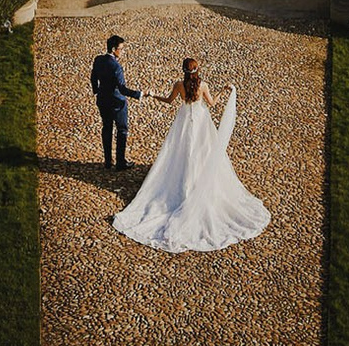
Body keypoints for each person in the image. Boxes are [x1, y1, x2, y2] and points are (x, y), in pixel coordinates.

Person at [111, 56, 270, 253]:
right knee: (203, 152)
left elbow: (169, 101)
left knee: (180, 153)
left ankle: (182, 185)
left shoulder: (179, 85)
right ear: (197, 70)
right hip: (201, 122)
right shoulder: (203, 85)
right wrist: (224, 90)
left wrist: (153, 95)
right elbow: (211, 103)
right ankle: (199, 185)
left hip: (184, 121)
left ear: (183, 71)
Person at [90, 35, 142, 169]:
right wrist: (138, 94)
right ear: (114, 49)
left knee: (106, 128)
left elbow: (93, 77)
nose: (123, 52)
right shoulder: (116, 67)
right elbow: (122, 89)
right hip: (117, 102)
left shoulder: (98, 60)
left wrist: (97, 90)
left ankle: (108, 161)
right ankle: (120, 162)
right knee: (122, 130)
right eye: (121, 49)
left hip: (102, 100)